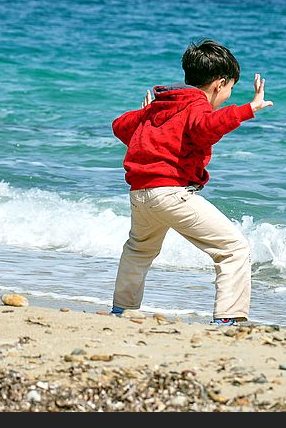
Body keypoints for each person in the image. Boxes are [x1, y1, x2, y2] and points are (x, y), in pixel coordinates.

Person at [110, 39, 273, 325]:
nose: (226, 96)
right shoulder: (197, 105)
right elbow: (206, 128)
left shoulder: (161, 105)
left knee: (138, 251)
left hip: (141, 194)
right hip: (171, 193)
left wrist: (143, 114)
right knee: (233, 248)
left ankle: (123, 310)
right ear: (219, 84)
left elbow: (121, 127)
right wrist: (249, 108)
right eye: (230, 90)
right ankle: (228, 318)